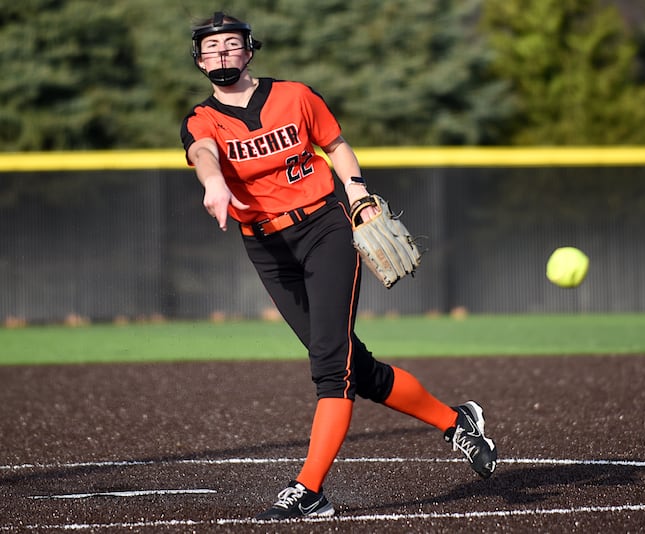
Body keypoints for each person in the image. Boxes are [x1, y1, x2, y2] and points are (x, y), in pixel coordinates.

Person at [180, 12, 497, 520]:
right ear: (198, 60)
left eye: (231, 45)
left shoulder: (295, 95)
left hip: (325, 229)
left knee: (331, 367)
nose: (221, 55)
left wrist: (358, 193)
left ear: (249, 50)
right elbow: (203, 151)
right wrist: (212, 182)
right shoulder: (203, 118)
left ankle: (309, 490)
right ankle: (457, 421)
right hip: (267, 247)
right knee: (353, 364)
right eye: (211, 48)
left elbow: (335, 144)